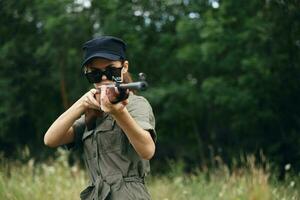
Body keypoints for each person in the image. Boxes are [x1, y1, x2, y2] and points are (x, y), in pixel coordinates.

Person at [44, 36, 156, 200]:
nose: (104, 78)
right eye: (95, 74)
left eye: (111, 70)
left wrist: (118, 112)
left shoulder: (135, 104)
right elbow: (50, 139)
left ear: (124, 67)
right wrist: (82, 104)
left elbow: (147, 150)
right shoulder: (94, 111)